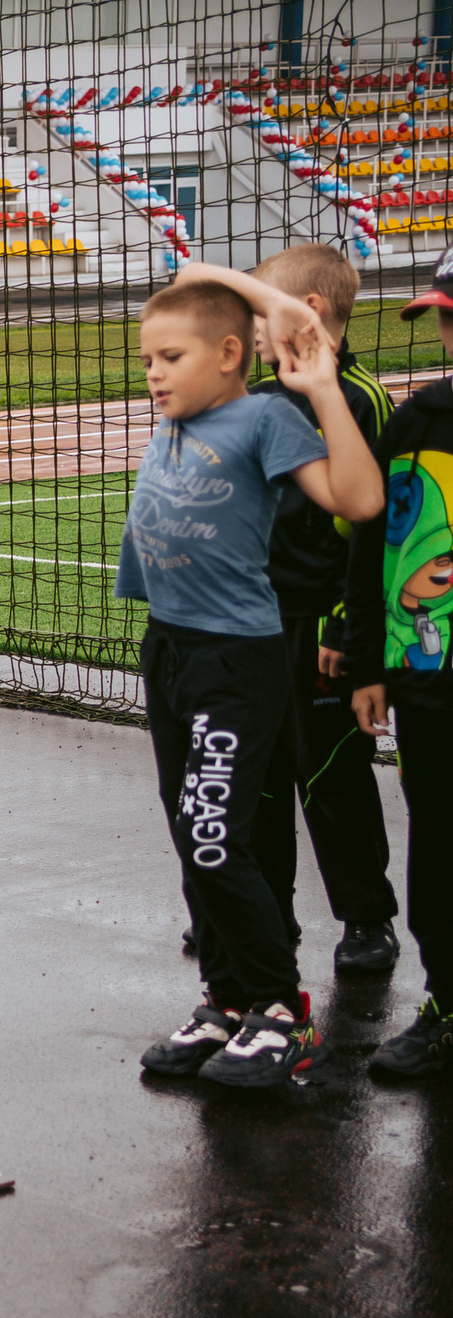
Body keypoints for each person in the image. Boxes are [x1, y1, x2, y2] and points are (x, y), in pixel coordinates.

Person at [125, 271, 384, 1089]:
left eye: (171, 356)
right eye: (147, 361)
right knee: (185, 827)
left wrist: (315, 376)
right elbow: (197, 297)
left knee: (214, 831)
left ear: (233, 353)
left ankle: (281, 1008)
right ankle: (228, 1000)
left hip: (237, 659)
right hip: (169, 646)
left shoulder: (267, 415)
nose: (155, 373)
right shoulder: (181, 415)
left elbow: (360, 496)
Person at [236, 245, 399, 977]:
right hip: (257, 621)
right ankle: (265, 912)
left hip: (320, 623)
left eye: (263, 311)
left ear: (314, 314)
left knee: (330, 772)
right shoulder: (260, 400)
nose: (253, 328)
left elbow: (376, 527)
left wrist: (345, 624)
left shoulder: (358, 398)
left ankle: (367, 917)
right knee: (260, 773)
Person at [346, 242, 453, 1077]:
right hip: (431, 683)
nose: (445, 334)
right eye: (442, 320)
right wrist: (368, 664)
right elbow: (373, 547)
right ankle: (448, 1002)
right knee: (441, 836)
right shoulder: (417, 420)